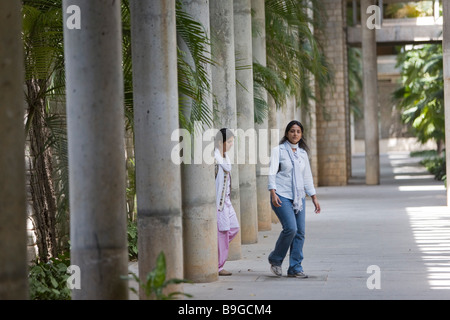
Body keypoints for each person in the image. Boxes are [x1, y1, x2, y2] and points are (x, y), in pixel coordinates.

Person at [268, 120, 321, 278]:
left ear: (301, 134)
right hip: (281, 195)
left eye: (298, 131)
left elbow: (307, 177)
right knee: (291, 228)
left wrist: (314, 198)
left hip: (299, 197)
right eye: (292, 131)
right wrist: (272, 192)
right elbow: (271, 172)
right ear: (286, 133)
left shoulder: (303, 154)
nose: (295, 134)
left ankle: (295, 268)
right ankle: (276, 259)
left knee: (300, 233)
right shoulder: (278, 151)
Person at [214, 128, 240, 276]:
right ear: (220, 142)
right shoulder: (214, 159)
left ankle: (216, 249)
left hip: (227, 201)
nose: (231, 145)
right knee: (223, 233)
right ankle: (218, 266)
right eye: (228, 142)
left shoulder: (225, 159)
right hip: (219, 203)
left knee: (234, 228)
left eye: (231, 142)